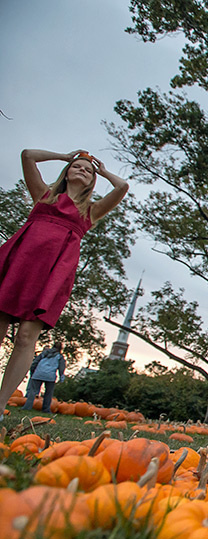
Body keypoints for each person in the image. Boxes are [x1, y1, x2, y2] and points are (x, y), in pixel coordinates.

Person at [0, 149, 128, 420]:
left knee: (25, 336)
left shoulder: (90, 212)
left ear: (94, 181)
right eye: (77, 167)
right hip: (20, 262)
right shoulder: (44, 196)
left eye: (88, 171)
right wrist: (64, 156)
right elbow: (26, 156)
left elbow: (122, 186)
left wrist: (102, 171)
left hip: (53, 275)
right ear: (67, 172)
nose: (83, 170)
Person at [23, 341, 66, 412]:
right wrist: (61, 376)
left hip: (38, 373)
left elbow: (35, 362)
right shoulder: (60, 357)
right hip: (50, 376)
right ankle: (46, 409)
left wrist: (33, 371)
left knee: (33, 391)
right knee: (48, 393)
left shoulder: (44, 353)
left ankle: (27, 407)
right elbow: (61, 367)